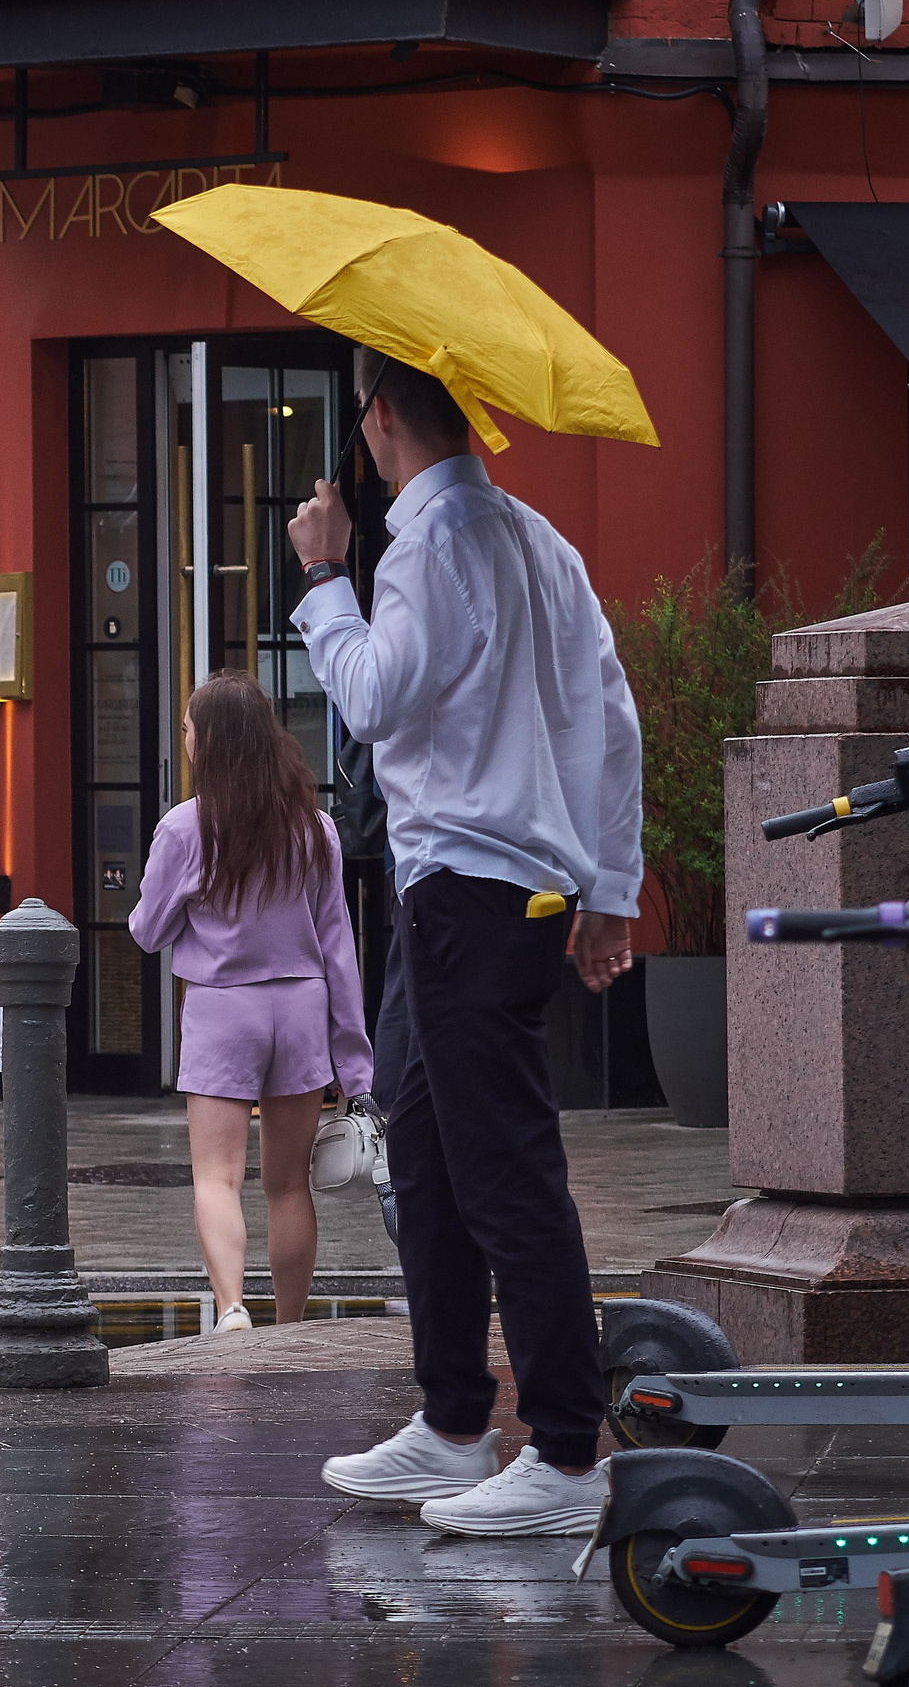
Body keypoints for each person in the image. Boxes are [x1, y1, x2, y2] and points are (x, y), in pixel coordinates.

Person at [296, 351, 641, 1538]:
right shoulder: (540, 541)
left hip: (467, 891)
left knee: (500, 1170)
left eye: (361, 413)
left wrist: (322, 580)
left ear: (380, 414)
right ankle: (450, 1421)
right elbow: (613, 719)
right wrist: (610, 888)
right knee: (428, 1151)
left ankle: (564, 1451)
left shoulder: (427, 545)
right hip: (492, 889)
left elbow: (373, 699)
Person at [128, 673, 375, 1332]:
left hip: (223, 1008)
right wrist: (355, 1068)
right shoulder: (315, 830)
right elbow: (338, 947)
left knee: (217, 1177)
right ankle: (289, 1324)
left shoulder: (185, 828)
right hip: (301, 1008)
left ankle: (233, 1307)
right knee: (289, 1184)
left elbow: (148, 930)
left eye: (188, 728)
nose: (185, 738)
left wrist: (190, 902)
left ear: (209, 742)